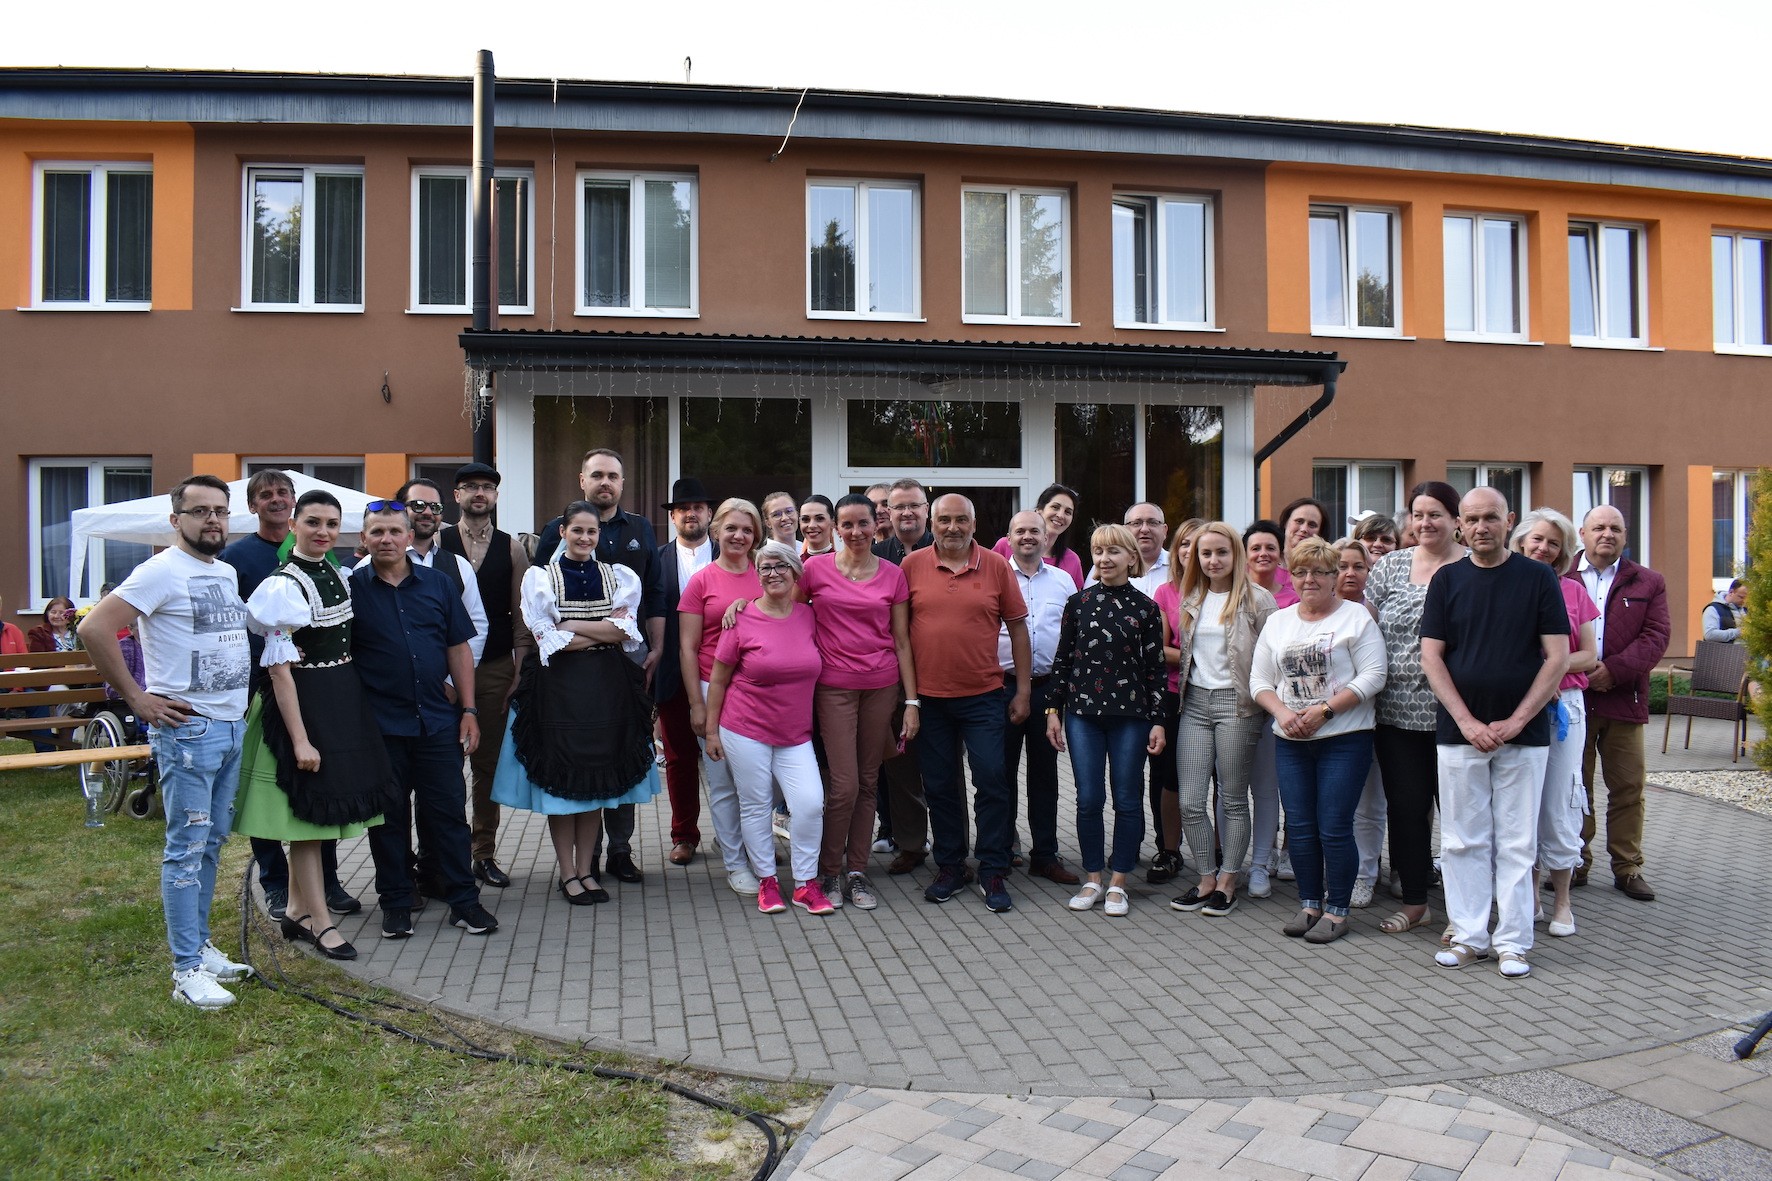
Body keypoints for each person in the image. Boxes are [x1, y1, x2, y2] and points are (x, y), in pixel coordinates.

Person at [81, 474, 254, 1009]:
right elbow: (94, 628)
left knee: (213, 843)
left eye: (220, 511)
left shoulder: (224, 570)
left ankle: (201, 948)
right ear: (176, 520)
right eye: (200, 511)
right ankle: (185, 971)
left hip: (230, 726)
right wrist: (136, 698)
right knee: (186, 850)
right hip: (189, 731)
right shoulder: (160, 570)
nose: (213, 520)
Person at [234, 490, 394, 961]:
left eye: (331, 524)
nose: (323, 532)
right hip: (301, 705)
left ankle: (297, 910)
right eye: (313, 522)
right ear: (294, 526)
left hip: (340, 699)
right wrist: (300, 739)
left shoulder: (339, 574)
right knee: (307, 820)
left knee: (322, 816)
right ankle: (321, 923)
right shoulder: (282, 585)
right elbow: (279, 671)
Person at [1420, 489, 1569, 978]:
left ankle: (1513, 943)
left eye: (1490, 518)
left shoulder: (1538, 577)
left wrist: (1518, 720)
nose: (1481, 527)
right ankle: (1469, 936)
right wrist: (1466, 721)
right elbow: (1431, 657)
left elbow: (1557, 657)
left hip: (1523, 734)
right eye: (1472, 519)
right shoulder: (1447, 579)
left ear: (1509, 521)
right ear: (1460, 526)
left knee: (1518, 843)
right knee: (1462, 840)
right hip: (1459, 732)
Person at [492, 501, 662, 905]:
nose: (585, 538)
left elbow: (625, 632)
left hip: (606, 690)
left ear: (599, 535)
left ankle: (587, 870)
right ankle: (567, 873)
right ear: (563, 532)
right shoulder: (541, 578)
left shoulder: (617, 576)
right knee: (564, 790)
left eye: (592, 531)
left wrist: (569, 626)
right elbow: (548, 641)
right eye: (578, 530)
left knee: (595, 788)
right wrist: (599, 631)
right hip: (559, 691)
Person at [351, 501, 498, 940]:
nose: (387, 539)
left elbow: (459, 648)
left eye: (394, 531)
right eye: (377, 532)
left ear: (409, 535)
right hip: (380, 727)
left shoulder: (438, 584)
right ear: (364, 539)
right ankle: (396, 903)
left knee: (448, 815)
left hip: (437, 722)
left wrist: (469, 710)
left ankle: (463, 901)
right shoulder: (352, 590)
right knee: (389, 819)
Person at [221, 470, 354, 918]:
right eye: (266, 495)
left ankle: (324, 886)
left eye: (283, 493)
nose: (276, 500)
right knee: (277, 797)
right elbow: (239, 626)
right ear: (254, 505)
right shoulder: (239, 558)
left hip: (324, 691)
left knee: (320, 795)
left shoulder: (333, 565)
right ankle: (277, 885)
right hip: (273, 684)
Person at [533, 449, 664, 886]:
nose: (605, 482)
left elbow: (651, 598)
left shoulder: (639, 529)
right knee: (578, 761)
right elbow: (544, 617)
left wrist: (656, 646)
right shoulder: (553, 534)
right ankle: (579, 864)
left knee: (619, 754)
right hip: (568, 672)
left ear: (622, 483)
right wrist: (591, 631)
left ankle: (619, 851)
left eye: (613, 476)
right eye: (597, 475)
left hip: (625, 661)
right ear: (582, 480)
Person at [1251, 536, 1387, 945]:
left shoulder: (1355, 617)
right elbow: (1260, 681)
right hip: (1291, 739)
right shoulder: (1279, 621)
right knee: (1301, 826)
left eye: (1320, 572)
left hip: (1344, 738)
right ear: (1291, 577)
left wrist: (1324, 710)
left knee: (1334, 825)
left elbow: (1374, 675)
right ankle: (1309, 904)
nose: (1309, 579)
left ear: (1334, 577)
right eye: (1300, 572)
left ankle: (1338, 910)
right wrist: (1283, 714)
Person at [904, 494, 1031, 913]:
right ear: (932, 524)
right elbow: (899, 634)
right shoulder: (912, 565)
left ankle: (993, 867)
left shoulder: (996, 565)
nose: (953, 527)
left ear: (974, 525)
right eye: (944, 520)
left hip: (984, 696)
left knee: (992, 779)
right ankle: (951, 866)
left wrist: (1023, 691)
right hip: (930, 699)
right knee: (940, 786)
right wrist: (909, 700)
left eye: (961, 520)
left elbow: (1018, 629)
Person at [799, 494, 918, 910]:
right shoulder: (814, 570)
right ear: (835, 528)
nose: (855, 532)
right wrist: (743, 605)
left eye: (862, 523)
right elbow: (784, 612)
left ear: (875, 524)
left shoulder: (893, 574)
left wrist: (912, 701)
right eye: (846, 524)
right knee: (844, 785)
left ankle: (857, 871)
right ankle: (829, 870)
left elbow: (901, 640)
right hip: (833, 688)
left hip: (881, 687)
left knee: (868, 781)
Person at [704, 542, 832, 915]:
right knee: (756, 803)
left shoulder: (808, 615)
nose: (773, 573)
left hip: (795, 733)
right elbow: (718, 678)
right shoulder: (740, 618)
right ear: (757, 575)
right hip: (745, 728)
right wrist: (711, 731)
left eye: (781, 566)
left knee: (809, 804)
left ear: (795, 573)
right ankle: (767, 881)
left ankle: (805, 883)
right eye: (765, 568)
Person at [1046, 524, 1167, 918]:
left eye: (1114, 551)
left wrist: (1158, 720)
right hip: (1083, 716)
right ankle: (1093, 877)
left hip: (1131, 717)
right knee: (1088, 799)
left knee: (1127, 799)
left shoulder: (1146, 608)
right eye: (1098, 551)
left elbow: (1156, 670)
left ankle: (1119, 881)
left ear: (1132, 558)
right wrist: (1053, 711)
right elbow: (1063, 661)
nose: (1104, 559)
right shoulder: (1078, 603)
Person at [1366, 481, 1465, 935]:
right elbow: (1366, 629)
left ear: (1455, 520)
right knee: (1406, 810)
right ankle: (1414, 903)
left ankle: (1465, 909)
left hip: (1459, 713)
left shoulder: (1473, 566)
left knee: (1461, 814)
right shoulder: (1391, 565)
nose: (1425, 523)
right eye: (1417, 514)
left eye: (1435, 514)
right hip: (1396, 713)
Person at [1167, 522, 1275, 918]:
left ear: (1236, 555)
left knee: (1232, 798)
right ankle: (1206, 878)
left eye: (1221, 552)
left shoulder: (1258, 600)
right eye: (1206, 553)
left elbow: (1273, 657)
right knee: (1191, 800)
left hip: (1237, 705)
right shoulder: (1192, 597)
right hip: (1195, 703)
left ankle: (1229, 880)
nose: (1214, 560)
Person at [439, 462, 534, 890]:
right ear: (456, 495)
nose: (480, 493)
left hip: (495, 667)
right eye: (471, 487)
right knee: (440, 765)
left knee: (487, 765)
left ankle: (483, 853)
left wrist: (519, 667)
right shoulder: (436, 543)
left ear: (496, 496)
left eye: (487, 487)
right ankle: (440, 855)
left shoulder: (512, 548)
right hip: (441, 670)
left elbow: (520, 613)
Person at [1569, 504, 1669, 901]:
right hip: (1573, 699)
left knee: (1628, 787)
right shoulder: (1561, 576)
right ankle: (1574, 862)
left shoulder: (1648, 581)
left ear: (1625, 536)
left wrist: (1613, 670)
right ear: (1582, 533)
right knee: (1574, 787)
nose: (1606, 534)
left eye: (1615, 528)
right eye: (1598, 527)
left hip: (1624, 699)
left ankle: (1627, 868)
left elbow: (1656, 636)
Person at [1513, 508, 1598, 939]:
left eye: (1553, 543)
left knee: (1559, 800)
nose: (1544, 548)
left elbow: (1589, 655)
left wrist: (1550, 669)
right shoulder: (1504, 586)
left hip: (1564, 708)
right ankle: (1529, 894)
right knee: (1521, 802)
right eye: (1537, 540)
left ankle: (1562, 900)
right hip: (1517, 704)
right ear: (1521, 542)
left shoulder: (1573, 591)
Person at [680, 498, 765, 895]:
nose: (739, 536)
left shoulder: (766, 574)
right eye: (731, 528)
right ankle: (736, 862)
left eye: (747, 529)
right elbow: (687, 647)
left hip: (759, 690)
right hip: (710, 686)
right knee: (724, 781)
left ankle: (749, 842)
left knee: (764, 779)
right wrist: (696, 705)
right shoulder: (702, 581)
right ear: (716, 531)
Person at [998, 509, 1080, 886]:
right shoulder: (996, 576)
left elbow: (1075, 636)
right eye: (1020, 531)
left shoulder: (1064, 581)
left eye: (1035, 531)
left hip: (1049, 688)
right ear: (1009, 538)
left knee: (1045, 775)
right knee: (1000, 773)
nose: (1028, 536)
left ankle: (1045, 855)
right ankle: (1002, 850)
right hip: (1003, 687)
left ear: (1047, 538)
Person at [653, 477, 716, 867]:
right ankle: (684, 835)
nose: (690, 514)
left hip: (727, 676)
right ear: (673, 517)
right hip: (673, 675)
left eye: (697, 507)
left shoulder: (733, 554)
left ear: (709, 513)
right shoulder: (656, 560)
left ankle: (740, 837)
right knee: (679, 759)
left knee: (735, 761)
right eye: (682, 509)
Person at [873, 478, 934, 866]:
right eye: (899, 507)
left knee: (943, 769)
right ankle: (911, 843)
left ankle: (951, 848)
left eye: (915, 505)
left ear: (927, 510)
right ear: (888, 513)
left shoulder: (946, 548)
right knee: (900, 767)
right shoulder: (876, 555)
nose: (907, 513)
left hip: (939, 672)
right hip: (891, 678)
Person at [1148, 518, 1204, 884]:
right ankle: (1170, 851)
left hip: (1218, 695)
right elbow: (1158, 649)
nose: (1190, 550)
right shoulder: (1165, 593)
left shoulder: (1227, 592)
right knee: (1169, 776)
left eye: (1198, 544)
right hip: (1172, 695)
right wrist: (1201, 657)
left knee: (1217, 778)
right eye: (1185, 543)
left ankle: (1215, 853)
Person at [1240, 518, 1291, 893]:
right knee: (1230, 789)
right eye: (1255, 547)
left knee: (1266, 787)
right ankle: (1239, 861)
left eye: (1270, 547)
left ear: (1280, 553)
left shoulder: (1294, 591)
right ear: (1245, 554)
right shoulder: (1231, 591)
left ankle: (1266, 859)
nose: (1263, 553)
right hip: (1234, 703)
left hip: (1277, 703)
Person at [1334, 538, 1386, 909]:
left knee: (1370, 804)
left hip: (1374, 720)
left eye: (1359, 566)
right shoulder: (1316, 611)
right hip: (1329, 723)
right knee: (1337, 805)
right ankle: (1337, 871)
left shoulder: (1377, 613)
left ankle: (1365, 875)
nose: (1350, 573)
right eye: (1341, 566)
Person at [992, 483, 1084, 587]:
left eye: (1068, 512)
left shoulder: (1072, 560)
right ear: (1039, 510)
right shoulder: (1005, 545)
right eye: (1055, 507)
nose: (1060, 515)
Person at [798, 494, 836, 558]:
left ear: (833, 523)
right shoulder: (795, 563)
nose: (812, 525)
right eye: (805, 519)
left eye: (820, 519)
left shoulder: (841, 563)